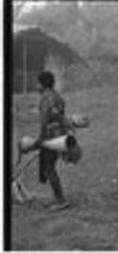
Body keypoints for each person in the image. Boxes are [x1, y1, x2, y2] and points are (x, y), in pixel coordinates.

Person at [36, 71, 71, 210]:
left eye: (38, 83)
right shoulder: (58, 97)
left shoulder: (46, 99)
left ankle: (60, 200)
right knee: (50, 166)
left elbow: (44, 121)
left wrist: (40, 139)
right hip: (61, 136)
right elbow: (62, 117)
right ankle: (58, 198)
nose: (36, 86)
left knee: (49, 168)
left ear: (43, 84)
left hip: (50, 137)